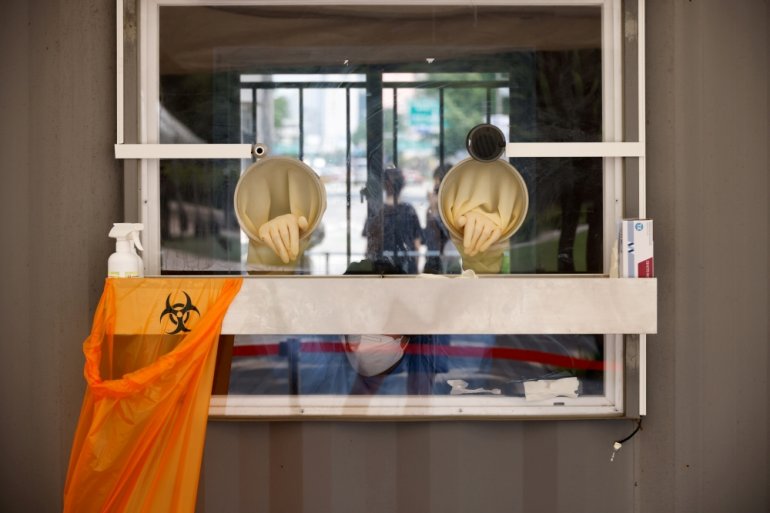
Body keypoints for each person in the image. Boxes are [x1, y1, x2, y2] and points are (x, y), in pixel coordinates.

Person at [362, 167, 424, 274]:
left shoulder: (376, 211)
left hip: (381, 270)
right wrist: (415, 271)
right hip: (406, 269)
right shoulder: (409, 210)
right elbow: (417, 245)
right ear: (402, 186)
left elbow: (369, 246)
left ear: (384, 186)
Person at [423, 163, 453, 274]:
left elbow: (449, 235)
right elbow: (428, 239)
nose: (435, 192)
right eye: (435, 189)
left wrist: (435, 211)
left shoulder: (454, 208)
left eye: (438, 188)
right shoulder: (432, 209)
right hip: (433, 262)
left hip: (449, 264)